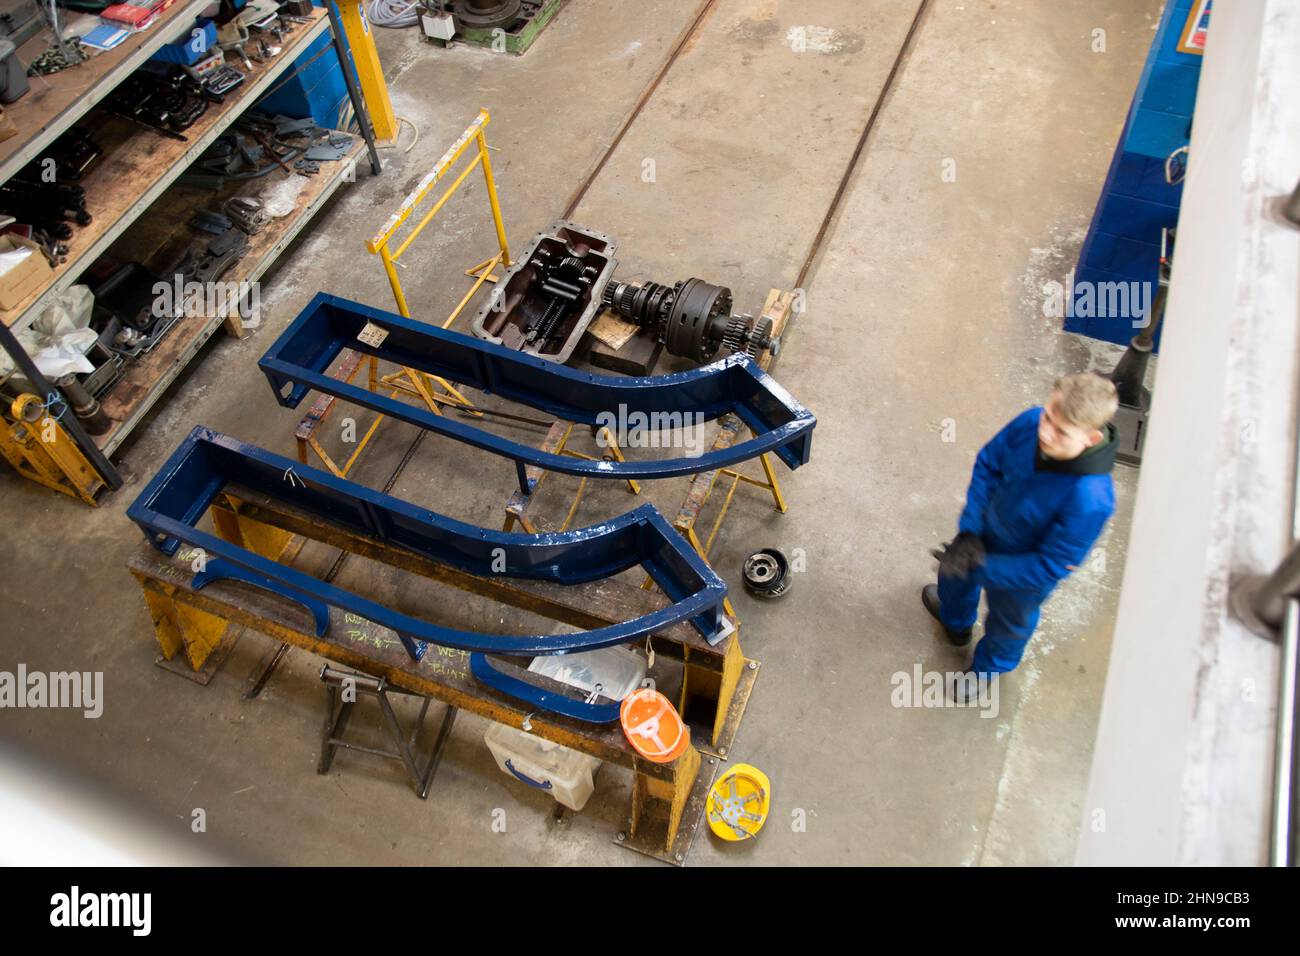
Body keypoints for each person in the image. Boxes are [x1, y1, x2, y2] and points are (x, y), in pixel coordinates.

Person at [923, 373, 1119, 693]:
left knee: (1008, 624)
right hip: (983, 534)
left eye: (1061, 431)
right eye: (1047, 418)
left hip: (1023, 575)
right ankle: (955, 622)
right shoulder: (1030, 423)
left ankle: (987, 669)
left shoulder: (1090, 499)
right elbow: (989, 463)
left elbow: (1051, 564)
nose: (1045, 432)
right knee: (954, 578)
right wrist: (971, 530)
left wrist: (983, 566)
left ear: (1091, 439)